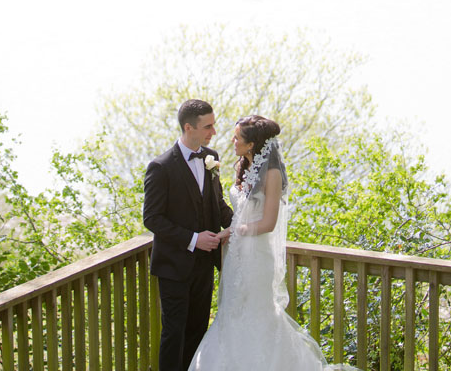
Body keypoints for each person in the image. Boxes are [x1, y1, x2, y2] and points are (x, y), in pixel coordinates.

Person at [187, 115, 359, 371]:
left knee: (258, 314)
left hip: (257, 258)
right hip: (236, 257)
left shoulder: (273, 173)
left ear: (251, 144)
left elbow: (268, 223)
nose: (232, 141)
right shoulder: (243, 166)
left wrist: (236, 231)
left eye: (237, 138)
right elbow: (241, 215)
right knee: (232, 314)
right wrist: (227, 234)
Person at [143, 99, 233, 371]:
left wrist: (244, 224)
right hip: (174, 267)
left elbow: (216, 204)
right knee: (174, 334)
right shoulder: (160, 167)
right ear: (188, 127)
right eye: (208, 127)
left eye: (213, 125)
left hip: (205, 265)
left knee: (198, 331)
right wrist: (193, 239)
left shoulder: (211, 157)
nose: (213, 132)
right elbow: (152, 218)